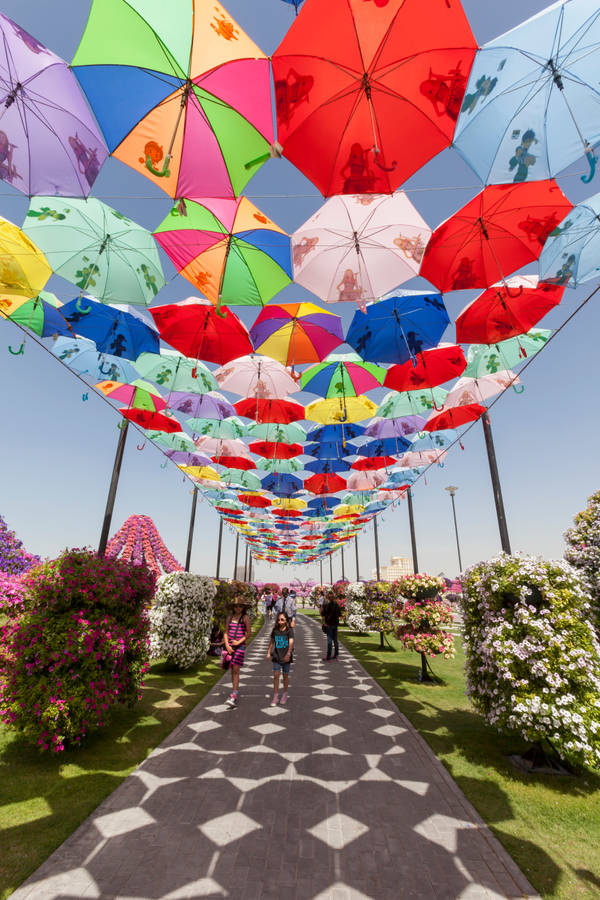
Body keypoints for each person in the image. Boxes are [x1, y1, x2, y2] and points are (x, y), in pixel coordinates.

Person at [223, 598, 250, 708]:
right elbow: (225, 632)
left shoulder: (245, 618)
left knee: (235, 669)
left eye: (240, 606)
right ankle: (234, 689)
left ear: (243, 608)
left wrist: (238, 642)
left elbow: (248, 633)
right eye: (236, 606)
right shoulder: (229, 618)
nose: (238, 608)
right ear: (233, 607)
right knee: (232, 670)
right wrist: (227, 645)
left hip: (240, 646)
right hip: (230, 647)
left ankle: (234, 694)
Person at [267, 611, 294, 705]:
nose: (280, 621)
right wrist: (268, 652)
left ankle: (285, 694)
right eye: (278, 619)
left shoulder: (289, 631)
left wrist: (288, 654)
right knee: (276, 676)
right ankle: (275, 696)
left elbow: (291, 643)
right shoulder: (275, 630)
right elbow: (271, 642)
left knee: (285, 676)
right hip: (276, 656)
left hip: (286, 657)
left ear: (286, 620)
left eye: (282, 619)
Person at [321, 595, 341, 661]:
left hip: (329, 624)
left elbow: (323, 614)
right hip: (335, 624)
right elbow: (339, 614)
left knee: (329, 641)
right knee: (335, 640)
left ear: (329, 599)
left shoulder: (328, 605)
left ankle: (328, 656)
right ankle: (336, 655)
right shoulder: (337, 605)